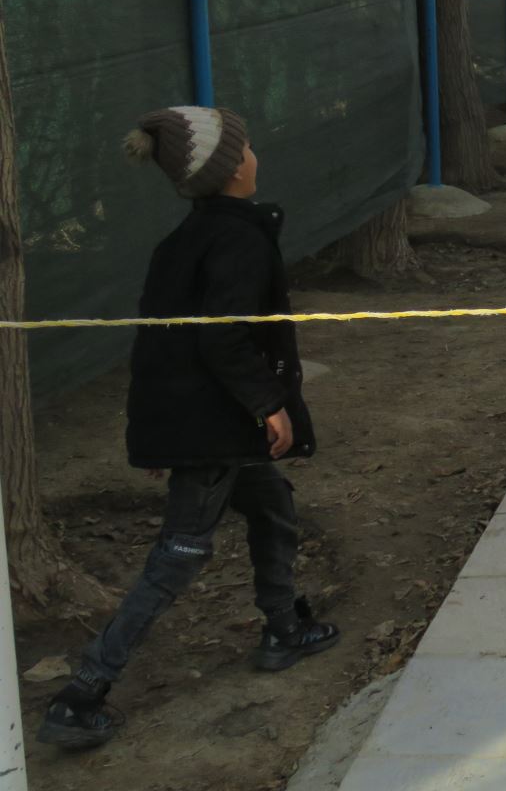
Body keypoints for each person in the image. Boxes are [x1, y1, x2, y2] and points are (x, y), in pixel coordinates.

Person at [39, 108, 338, 751]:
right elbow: (221, 338)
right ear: (230, 169)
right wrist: (269, 404)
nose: (254, 155)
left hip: (206, 423)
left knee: (273, 509)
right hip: (218, 424)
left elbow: (155, 347)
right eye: (246, 147)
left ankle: (284, 627)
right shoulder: (237, 241)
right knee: (178, 555)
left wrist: (156, 431)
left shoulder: (183, 241)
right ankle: (82, 693)